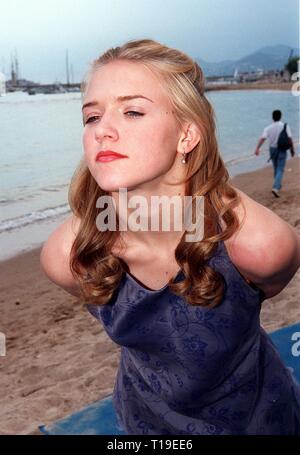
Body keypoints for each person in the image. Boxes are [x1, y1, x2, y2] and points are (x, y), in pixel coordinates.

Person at [40, 39, 300, 435]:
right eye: (91, 117)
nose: (102, 131)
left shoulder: (257, 247)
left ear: (187, 135)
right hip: (143, 423)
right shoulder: (70, 254)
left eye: (132, 111)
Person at [255, 110, 295, 198]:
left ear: (272, 117)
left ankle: (278, 185)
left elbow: (263, 138)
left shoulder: (268, 128)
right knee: (280, 169)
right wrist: (292, 149)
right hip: (282, 149)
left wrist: (257, 148)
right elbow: (289, 138)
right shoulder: (285, 126)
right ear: (280, 116)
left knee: (276, 168)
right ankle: (276, 187)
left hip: (272, 149)